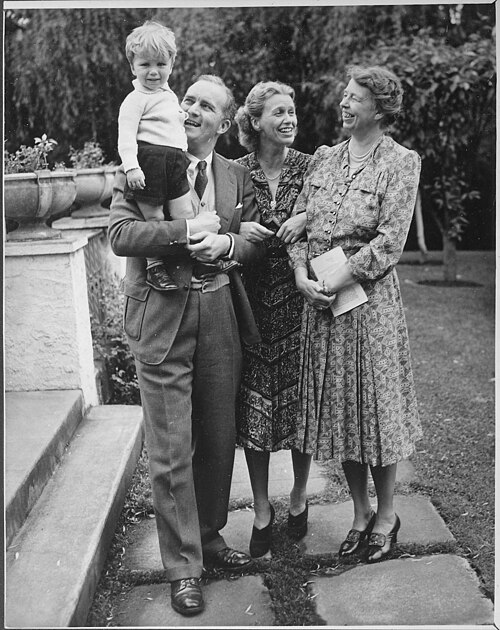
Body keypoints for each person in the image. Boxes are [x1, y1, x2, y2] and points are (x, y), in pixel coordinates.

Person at [109, 74, 264, 617]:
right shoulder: (141, 162)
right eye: (188, 101)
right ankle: (182, 568)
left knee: (218, 437)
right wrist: (185, 232)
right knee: (172, 447)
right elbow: (121, 235)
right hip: (161, 316)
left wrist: (226, 241)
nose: (192, 110)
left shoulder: (235, 175)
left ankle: (209, 536)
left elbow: (253, 241)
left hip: (220, 311)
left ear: (224, 123)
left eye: (206, 106)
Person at [287, 65, 423, 564]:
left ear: (380, 110)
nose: (344, 104)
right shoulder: (325, 159)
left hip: (369, 309)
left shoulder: (401, 162)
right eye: (344, 96)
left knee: (376, 413)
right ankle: (360, 513)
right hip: (323, 307)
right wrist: (301, 276)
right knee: (343, 413)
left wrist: (340, 277)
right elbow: (299, 227)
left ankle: (386, 515)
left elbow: (390, 242)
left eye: (355, 98)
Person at [233, 81, 313, 558]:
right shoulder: (236, 171)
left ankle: (299, 496)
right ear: (255, 121)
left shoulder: (311, 166)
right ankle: (262, 508)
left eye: (292, 111)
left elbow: (331, 213)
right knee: (256, 410)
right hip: (252, 304)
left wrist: (305, 217)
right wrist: (238, 227)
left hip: (302, 302)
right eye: (279, 112)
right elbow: (220, 221)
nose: (289, 119)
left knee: (301, 406)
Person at [118, 20, 237, 292]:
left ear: (171, 65)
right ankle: (155, 266)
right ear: (132, 67)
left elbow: (170, 120)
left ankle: (201, 260)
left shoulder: (168, 94)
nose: (153, 71)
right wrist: (132, 167)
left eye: (161, 64)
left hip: (174, 162)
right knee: (154, 218)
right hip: (148, 164)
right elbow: (125, 136)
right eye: (145, 65)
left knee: (186, 214)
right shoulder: (134, 100)